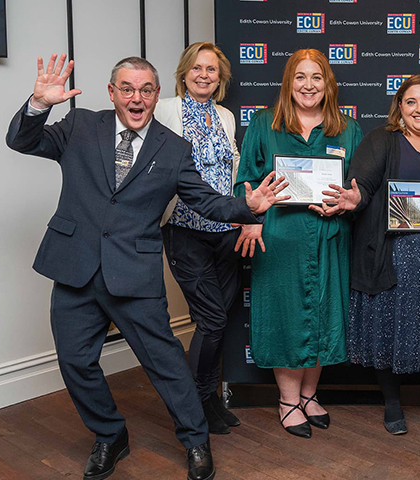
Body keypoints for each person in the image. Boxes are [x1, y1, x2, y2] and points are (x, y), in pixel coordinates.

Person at [6, 54, 286, 480]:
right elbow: (22, 141)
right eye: (127, 89)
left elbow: (205, 201)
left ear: (158, 94)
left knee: (166, 364)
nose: (136, 98)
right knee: (76, 362)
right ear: (112, 92)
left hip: (133, 273)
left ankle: (195, 440)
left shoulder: (173, 148)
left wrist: (245, 206)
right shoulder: (81, 126)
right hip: (76, 266)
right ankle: (109, 435)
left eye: (146, 90)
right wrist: (38, 105)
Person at [322, 74, 420, 435]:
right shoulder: (382, 141)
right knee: (390, 327)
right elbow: (361, 187)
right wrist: (353, 199)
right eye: (410, 102)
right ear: (400, 107)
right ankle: (392, 402)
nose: (419, 109)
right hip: (394, 255)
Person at [233, 49, 363, 439]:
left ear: (328, 84)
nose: (309, 85)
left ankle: (309, 395)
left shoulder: (348, 129)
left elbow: (358, 188)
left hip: (329, 237)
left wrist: (347, 203)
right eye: (300, 77)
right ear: (289, 82)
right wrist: (251, 219)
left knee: (324, 315)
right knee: (286, 317)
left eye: (317, 77)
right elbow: (246, 178)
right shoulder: (264, 124)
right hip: (280, 237)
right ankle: (287, 401)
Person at [151, 42, 244, 436]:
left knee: (218, 322)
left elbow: (232, 167)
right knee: (211, 318)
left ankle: (207, 400)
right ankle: (192, 404)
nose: (204, 75)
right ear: (184, 72)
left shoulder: (225, 116)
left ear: (220, 77)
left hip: (225, 232)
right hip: (185, 228)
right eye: (198, 68)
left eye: (212, 69)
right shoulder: (164, 110)